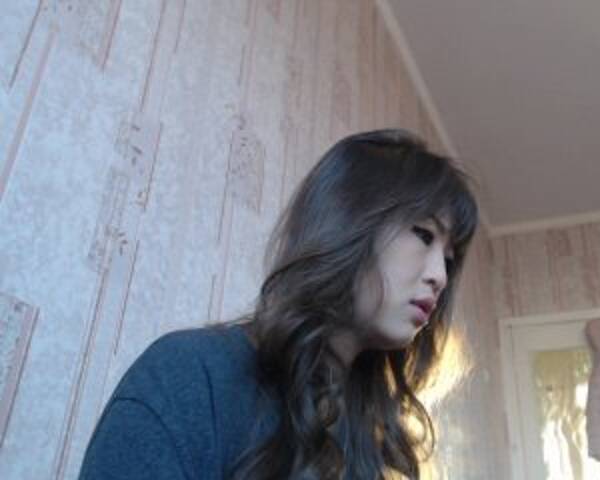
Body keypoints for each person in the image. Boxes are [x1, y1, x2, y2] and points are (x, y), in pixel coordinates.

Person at [78, 129, 478, 479]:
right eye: (424, 235)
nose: (440, 277)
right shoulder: (188, 376)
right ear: (348, 222)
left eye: (448, 259)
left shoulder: (369, 437)